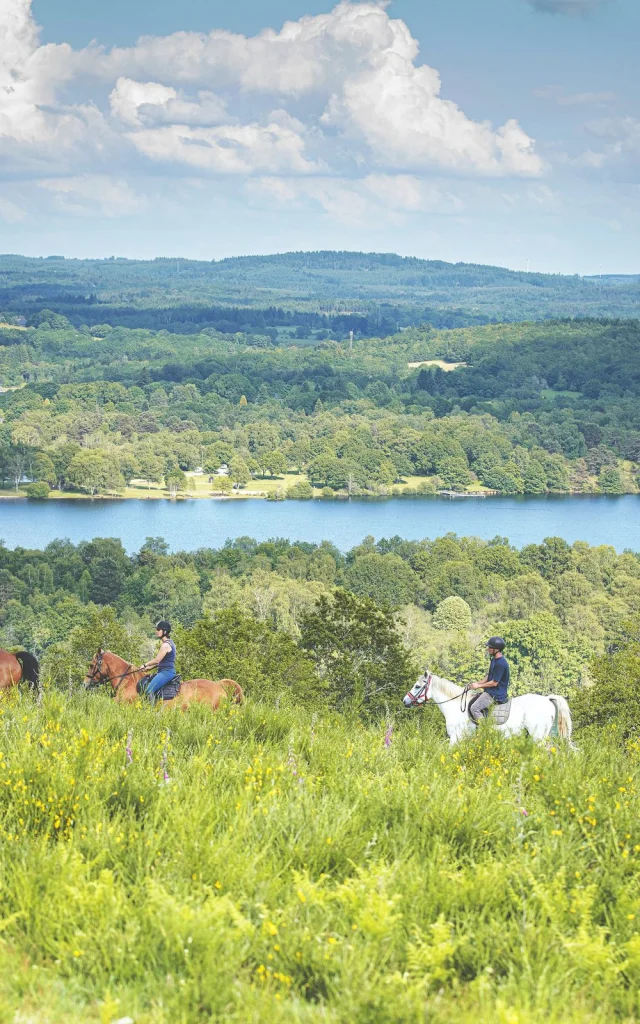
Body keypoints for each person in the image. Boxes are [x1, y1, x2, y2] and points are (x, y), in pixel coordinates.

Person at [468, 636, 510, 724]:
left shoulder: (501, 664)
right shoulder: (494, 660)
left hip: (495, 694)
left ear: (496, 649)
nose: (488, 649)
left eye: (490, 647)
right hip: (491, 691)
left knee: (474, 708)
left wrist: (478, 686)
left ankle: (484, 730)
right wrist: (476, 684)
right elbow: (488, 677)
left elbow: (494, 683)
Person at [140, 620, 177, 700]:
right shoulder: (170, 643)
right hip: (164, 671)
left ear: (165, 631)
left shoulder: (166, 645)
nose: (156, 631)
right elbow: (162, 662)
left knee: (149, 690)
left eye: (158, 629)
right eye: (156, 629)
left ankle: (151, 711)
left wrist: (145, 665)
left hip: (166, 672)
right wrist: (150, 668)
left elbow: (157, 660)